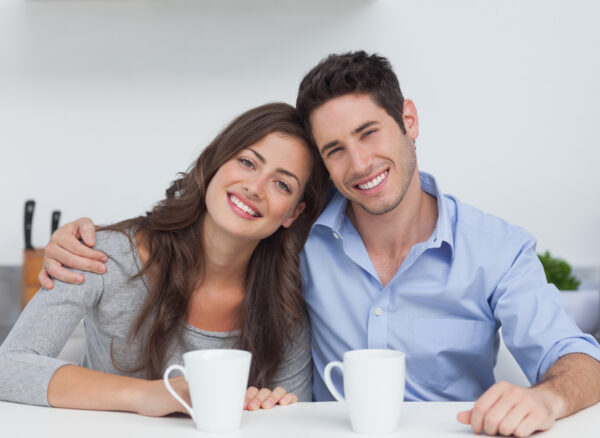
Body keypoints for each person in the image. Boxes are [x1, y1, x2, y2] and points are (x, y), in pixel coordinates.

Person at [39, 52, 600, 437]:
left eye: (369, 133)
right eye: (334, 149)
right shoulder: (294, 234)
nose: (358, 165)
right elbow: (212, 224)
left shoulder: (497, 250)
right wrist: (85, 243)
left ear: (408, 120)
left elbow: (579, 361)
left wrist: (547, 398)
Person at [0, 102, 330, 416]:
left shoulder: (285, 307)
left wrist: (266, 406)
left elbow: (290, 422)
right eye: (247, 162)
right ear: (216, 161)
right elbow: (9, 366)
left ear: (293, 213)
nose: (256, 187)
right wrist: (148, 395)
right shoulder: (102, 254)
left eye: (282, 184)